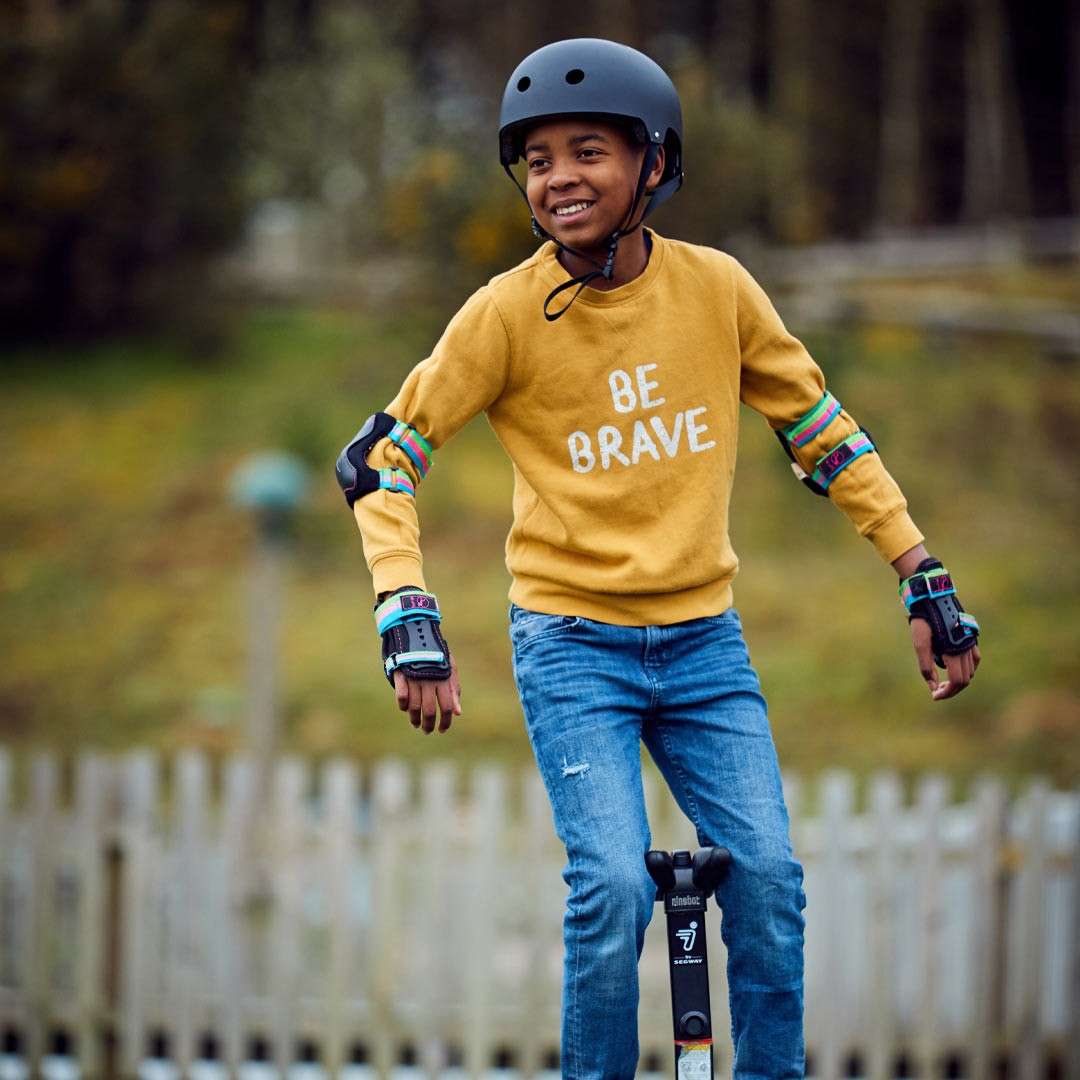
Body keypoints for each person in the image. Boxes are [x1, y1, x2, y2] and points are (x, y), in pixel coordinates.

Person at [335, 37, 981, 1080]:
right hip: (570, 645)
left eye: (587, 150)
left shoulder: (718, 290)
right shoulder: (503, 315)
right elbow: (382, 462)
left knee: (769, 878)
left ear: (654, 162)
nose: (558, 179)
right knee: (615, 887)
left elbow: (823, 432)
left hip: (702, 647)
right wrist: (406, 609)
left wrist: (920, 571)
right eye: (537, 160)